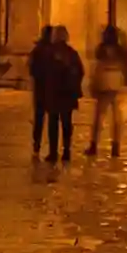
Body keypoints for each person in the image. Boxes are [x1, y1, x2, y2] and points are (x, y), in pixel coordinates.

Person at [44, 25, 85, 162]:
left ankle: (53, 152)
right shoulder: (72, 53)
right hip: (68, 93)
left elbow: (44, 73)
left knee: (53, 123)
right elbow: (80, 71)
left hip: (54, 93)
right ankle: (66, 150)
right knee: (67, 122)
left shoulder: (49, 53)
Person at [87, 25, 127, 157]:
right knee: (116, 116)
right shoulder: (120, 50)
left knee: (99, 115)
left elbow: (97, 65)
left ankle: (94, 145)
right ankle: (115, 146)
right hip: (116, 81)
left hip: (104, 81)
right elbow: (125, 63)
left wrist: (94, 83)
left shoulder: (101, 49)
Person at [28, 25, 55, 157]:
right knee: (52, 118)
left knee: (39, 117)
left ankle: (36, 144)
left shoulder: (37, 50)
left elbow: (31, 68)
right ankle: (53, 148)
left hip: (40, 87)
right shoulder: (55, 50)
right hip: (53, 87)